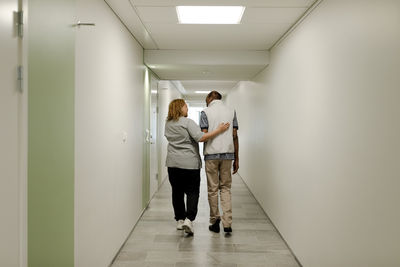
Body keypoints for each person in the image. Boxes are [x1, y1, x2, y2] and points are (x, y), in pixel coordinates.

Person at [164, 98, 230, 235]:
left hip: (172, 164)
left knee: (177, 192)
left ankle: (180, 220)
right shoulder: (188, 122)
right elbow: (201, 137)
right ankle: (189, 219)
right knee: (192, 192)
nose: (187, 109)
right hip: (189, 164)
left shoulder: (168, 124)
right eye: (185, 107)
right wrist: (219, 130)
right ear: (179, 108)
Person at [200, 91, 239, 234]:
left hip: (211, 155)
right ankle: (227, 223)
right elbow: (234, 135)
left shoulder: (205, 112)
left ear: (210, 98)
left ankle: (214, 221)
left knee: (212, 189)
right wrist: (237, 157)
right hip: (228, 155)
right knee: (226, 188)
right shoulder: (231, 111)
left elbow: (204, 134)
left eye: (206, 99)